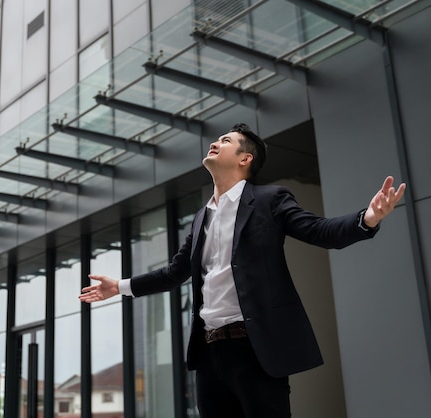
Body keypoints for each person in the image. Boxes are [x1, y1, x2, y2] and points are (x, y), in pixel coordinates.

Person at [79, 123, 406, 418]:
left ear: (245, 158)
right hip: (209, 354)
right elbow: (175, 272)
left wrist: (368, 218)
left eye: (225, 140)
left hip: (256, 349)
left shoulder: (270, 200)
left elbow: (320, 231)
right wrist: (119, 287)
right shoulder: (200, 217)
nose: (215, 143)